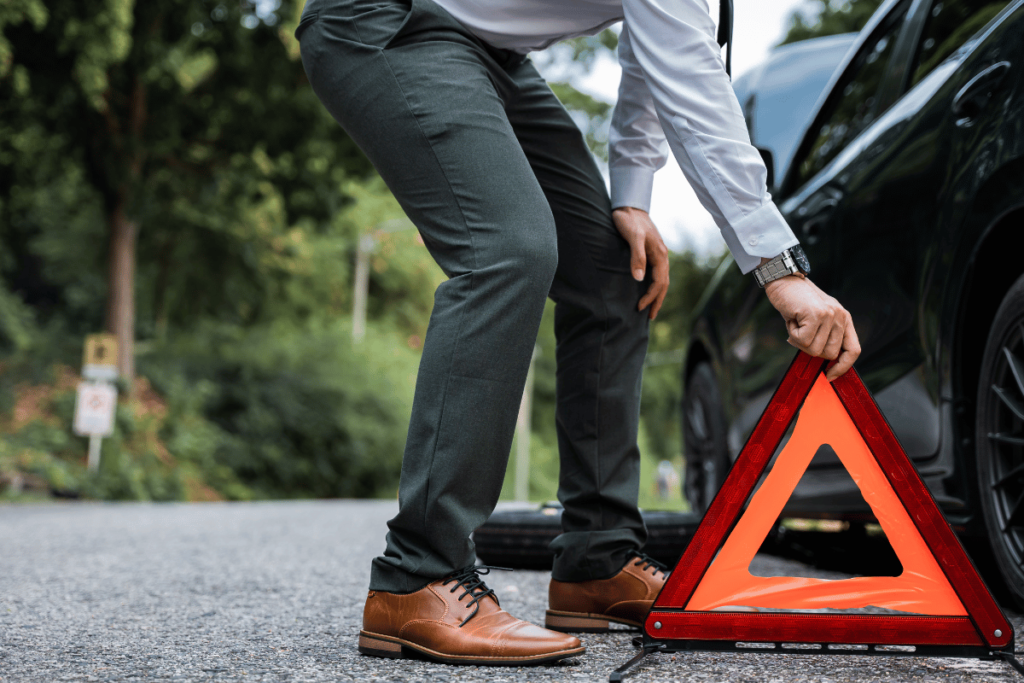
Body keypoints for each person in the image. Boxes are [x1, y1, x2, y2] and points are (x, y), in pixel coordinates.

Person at [294, 0, 861, 665]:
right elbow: (688, 78)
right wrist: (779, 269)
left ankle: (598, 559)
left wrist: (631, 198)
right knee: (507, 248)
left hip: (492, 56)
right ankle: (418, 575)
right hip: (392, 24)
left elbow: (656, 49)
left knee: (614, 272)